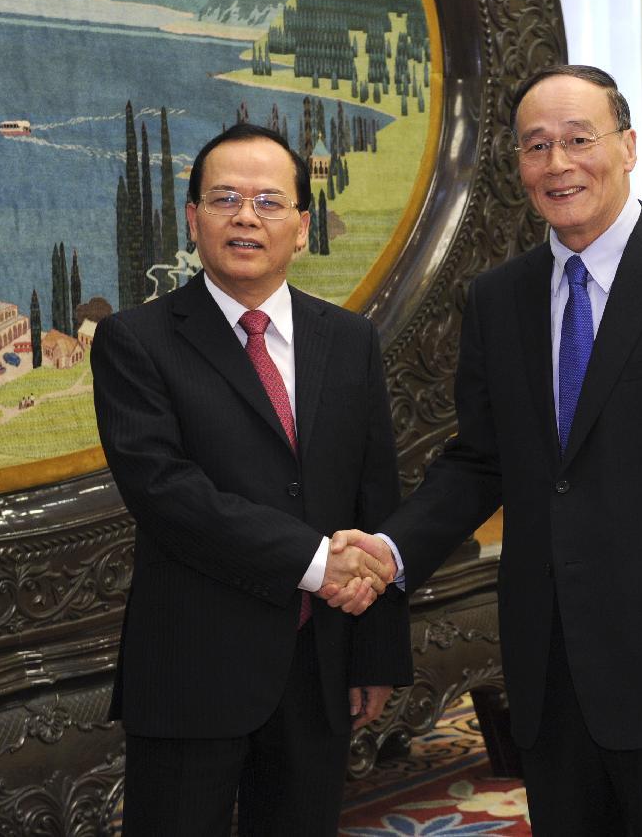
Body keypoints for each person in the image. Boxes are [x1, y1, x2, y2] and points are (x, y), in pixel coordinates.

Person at [328, 65, 642, 835]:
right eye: (536, 146)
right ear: (518, 166)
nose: (558, 163)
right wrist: (388, 549)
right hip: (547, 654)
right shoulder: (498, 297)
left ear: (628, 146)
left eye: (579, 140)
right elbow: (482, 460)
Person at [91, 123, 411, 836]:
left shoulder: (349, 339)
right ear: (192, 219)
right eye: (224, 198)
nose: (245, 216)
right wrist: (318, 563)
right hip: (192, 667)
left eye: (269, 201)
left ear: (301, 227)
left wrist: (378, 651)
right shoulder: (136, 341)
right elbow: (165, 491)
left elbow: (373, 494)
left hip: (319, 662)